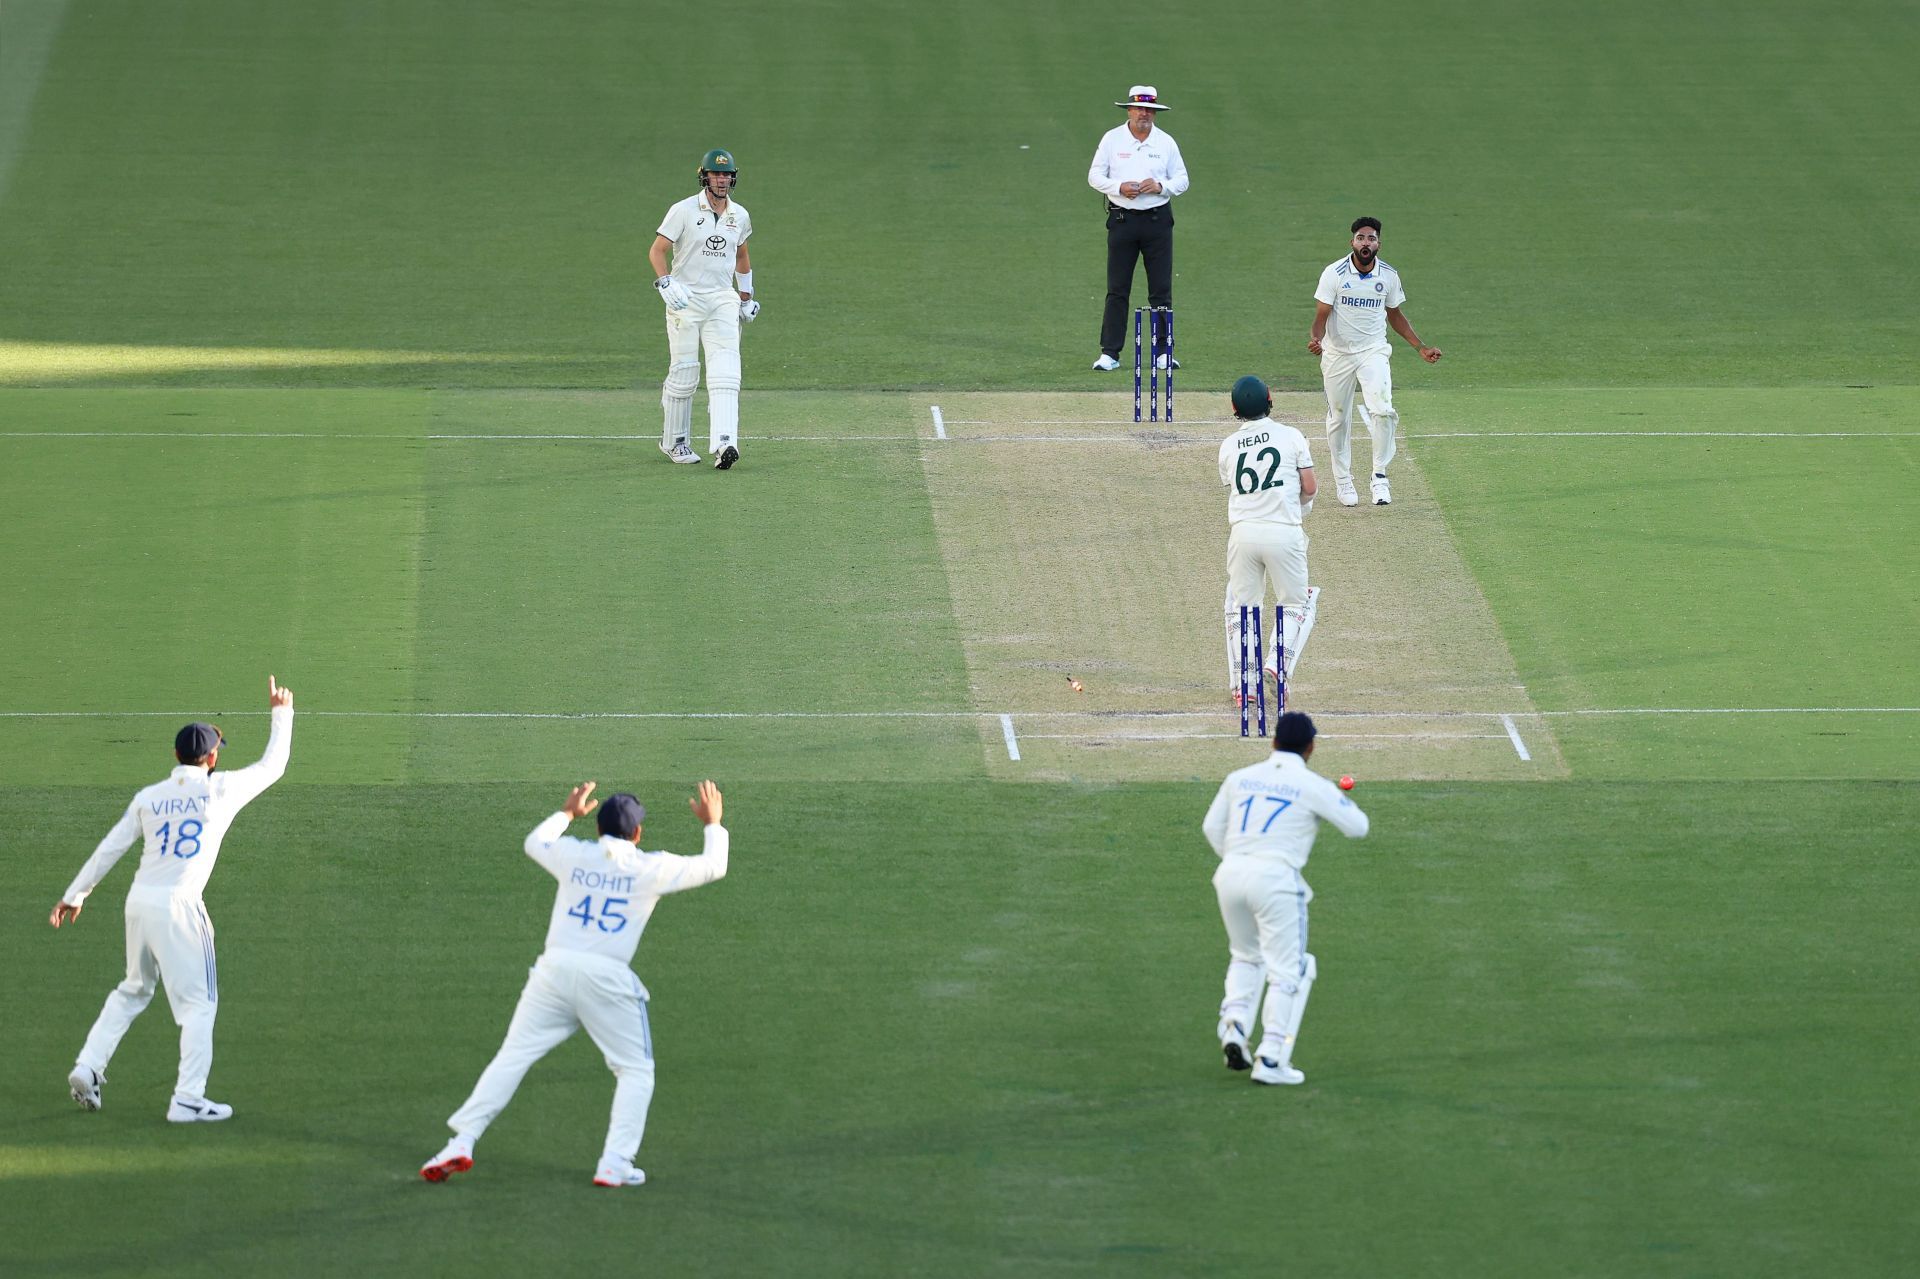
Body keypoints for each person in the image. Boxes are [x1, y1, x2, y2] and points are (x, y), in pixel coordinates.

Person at [421, 779, 730, 1189]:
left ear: (598, 828)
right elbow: (714, 866)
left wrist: (566, 814)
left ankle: (460, 1142)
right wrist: (713, 823)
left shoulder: (575, 855)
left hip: (555, 971)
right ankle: (615, 1163)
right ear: (637, 834)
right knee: (635, 1071)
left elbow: (535, 842)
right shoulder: (649, 867)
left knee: (513, 1056)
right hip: (607, 978)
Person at [50, 676, 295, 1123]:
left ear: (175, 756)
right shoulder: (220, 790)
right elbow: (273, 766)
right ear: (213, 758)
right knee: (199, 1004)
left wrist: (75, 894)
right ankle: (187, 1098)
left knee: (132, 989)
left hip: (139, 902)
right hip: (182, 907)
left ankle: (88, 1066)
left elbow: (112, 846)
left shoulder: (150, 797)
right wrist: (282, 712)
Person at [1202, 712, 1369, 1086]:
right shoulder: (1312, 785)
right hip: (1275, 878)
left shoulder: (1239, 778)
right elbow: (1359, 827)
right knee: (1287, 970)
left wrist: (1238, 858)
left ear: (1273, 742)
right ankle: (1271, 1059)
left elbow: (1211, 828)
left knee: (1245, 955)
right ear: (1310, 747)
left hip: (1230, 873)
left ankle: (1233, 1025)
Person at [1307, 217, 1442, 506]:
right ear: (1352, 242)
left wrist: (1419, 347)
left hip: (1373, 351)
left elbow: (1395, 315)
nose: (1365, 243)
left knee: (1382, 410)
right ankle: (1343, 481)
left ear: (1379, 243)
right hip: (1338, 354)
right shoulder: (1334, 273)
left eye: (1371, 238)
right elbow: (1321, 316)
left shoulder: (1389, 276)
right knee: (1339, 418)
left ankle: (1379, 476)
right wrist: (1316, 339)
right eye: (1360, 238)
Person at [650, 148, 757, 471]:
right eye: (716, 174)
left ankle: (725, 442)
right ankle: (675, 442)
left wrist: (746, 296)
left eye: (726, 175)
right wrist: (666, 283)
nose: (722, 179)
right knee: (685, 373)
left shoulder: (739, 215)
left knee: (726, 373)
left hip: (722, 299)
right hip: (686, 299)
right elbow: (657, 251)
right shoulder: (682, 210)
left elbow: (742, 257)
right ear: (705, 177)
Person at [1218, 375, 1315, 709]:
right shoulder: (1291, 436)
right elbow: (1310, 487)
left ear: (1234, 408)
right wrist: (1292, 501)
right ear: (1270, 399)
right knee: (1297, 605)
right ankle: (1276, 665)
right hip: (1284, 533)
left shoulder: (1229, 445)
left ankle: (1244, 685)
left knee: (1241, 607)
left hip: (1243, 534)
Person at [1087, 86, 1188, 372]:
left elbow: (1182, 179)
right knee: (1117, 288)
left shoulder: (1165, 143)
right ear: (1129, 110)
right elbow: (1094, 175)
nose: (1144, 114)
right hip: (1122, 220)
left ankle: (1163, 352)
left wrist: (1161, 186)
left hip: (1157, 221)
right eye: (1139, 109)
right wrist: (1118, 187)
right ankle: (1110, 353)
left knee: (1160, 289)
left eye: (1149, 110)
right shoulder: (1112, 139)